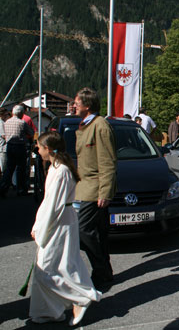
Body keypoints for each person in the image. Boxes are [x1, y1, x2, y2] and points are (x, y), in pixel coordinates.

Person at [29, 131, 101, 326]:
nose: (37, 149)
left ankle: (80, 298)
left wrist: (40, 228)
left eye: (39, 146)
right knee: (61, 265)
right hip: (60, 220)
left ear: (48, 149)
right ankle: (49, 311)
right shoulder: (56, 168)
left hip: (58, 223)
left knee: (46, 268)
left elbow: (53, 205)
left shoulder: (61, 171)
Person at [74, 87, 117, 288]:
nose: (74, 105)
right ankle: (104, 274)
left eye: (77, 102)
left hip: (95, 190)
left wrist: (105, 192)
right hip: (85, 187)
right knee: (99, 232)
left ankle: (100, 269)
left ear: (87, 106)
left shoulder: (100, 126)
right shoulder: (84, 125)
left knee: (83, 230)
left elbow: (107, 161)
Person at [0, 105, 34, 196]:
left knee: (9, 168)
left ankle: (3, 187)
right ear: (20, 113)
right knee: (21, 168)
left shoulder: (7, 122)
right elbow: (31, 133)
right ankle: (20, 189)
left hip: (9, 146)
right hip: (20, 146)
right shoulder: (22, 123)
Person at [0, 108, 8, 178]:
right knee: (3, 167)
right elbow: (3, 135)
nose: (7, 116)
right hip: (3, 148)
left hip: (1, 147)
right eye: (6, 114)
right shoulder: (1, 123)